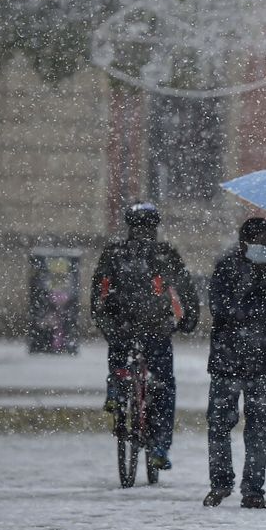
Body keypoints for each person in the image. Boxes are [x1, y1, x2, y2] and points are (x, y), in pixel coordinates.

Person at [90, 202, 200, 471]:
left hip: (122, 327)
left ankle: (115, 389)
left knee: (118, 354)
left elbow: (98, 293)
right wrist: (188, 321)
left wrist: (103, 322)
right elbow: (185, 289)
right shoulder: (164, 253)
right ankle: (160, 445)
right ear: (155, 226)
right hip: (156, 329)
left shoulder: (114, 252)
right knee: (164, 385)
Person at [203, 217, 266, 509]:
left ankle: (253, 488)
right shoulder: (225, 270)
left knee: (258, 429)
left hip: (263, 364)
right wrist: (259, 303)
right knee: (219, 425)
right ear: (244, 243)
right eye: (257, 243)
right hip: (227, 361)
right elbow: (221, 310)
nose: (262, 248)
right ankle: (220, 483)